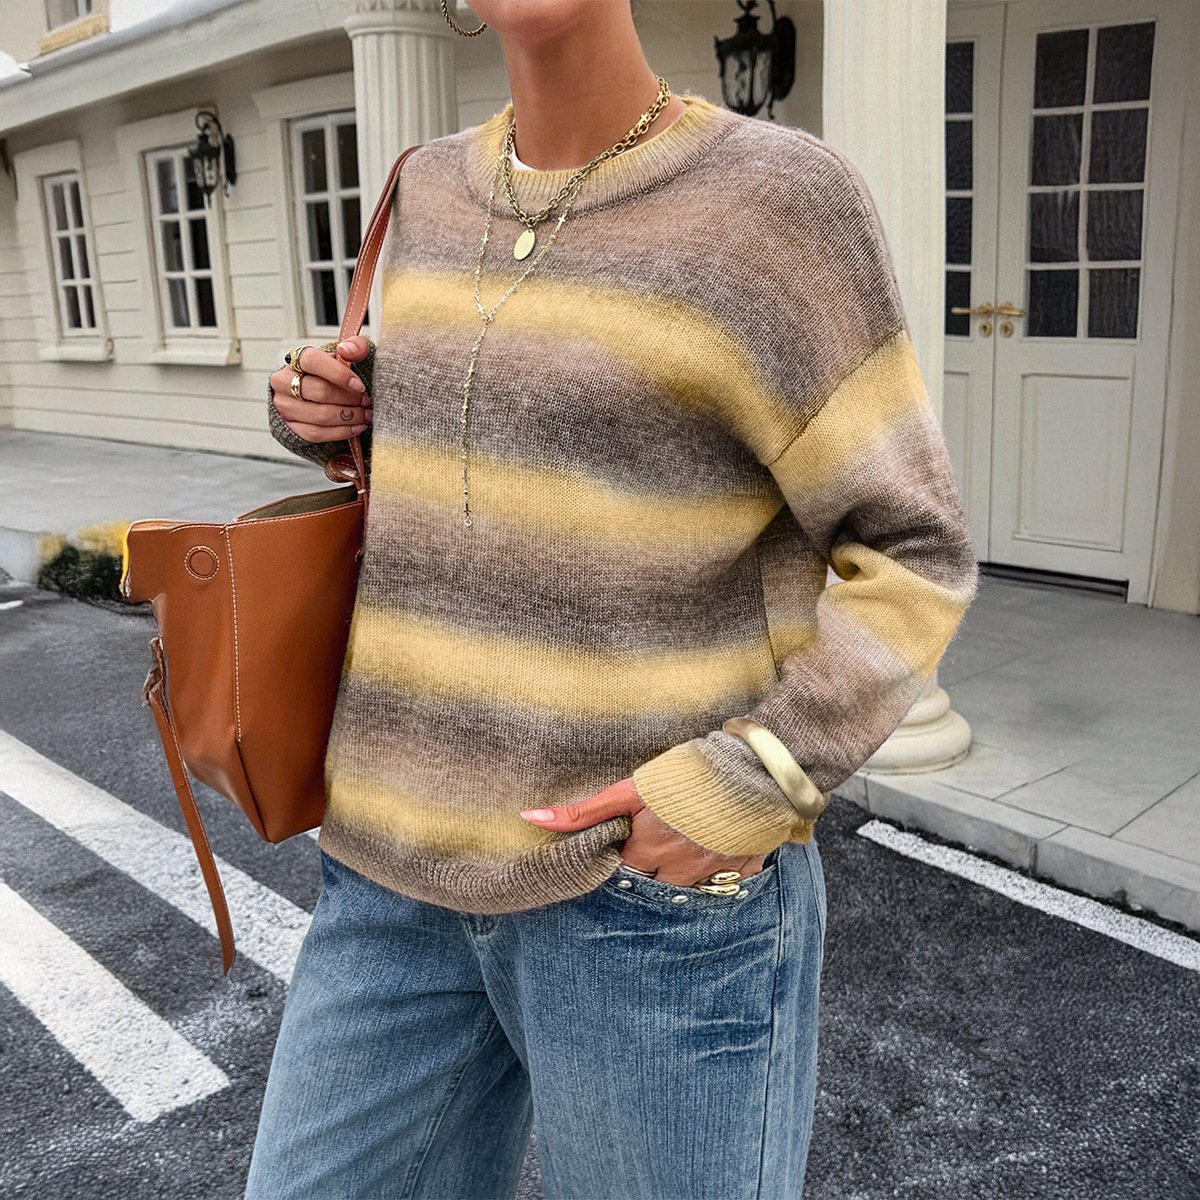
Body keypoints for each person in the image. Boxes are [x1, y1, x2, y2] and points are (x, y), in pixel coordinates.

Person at [246, 1, 979, 1196]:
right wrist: (331, 418)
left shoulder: (777, 201)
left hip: (642, 905)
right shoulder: (423, 191)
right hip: (385, 871)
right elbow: (496, 449)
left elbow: (911, 548)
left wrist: (752, 782)